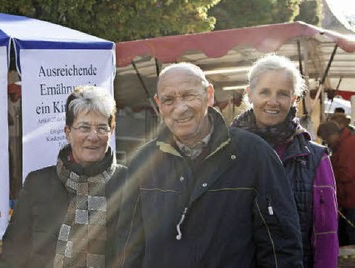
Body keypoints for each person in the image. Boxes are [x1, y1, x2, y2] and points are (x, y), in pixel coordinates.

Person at [117, 62, 303, 267]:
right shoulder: (143, 162)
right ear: (158, 104)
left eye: (189, 95)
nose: (180, 108)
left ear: (209, 94)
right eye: (169, 100)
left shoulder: (255, 155)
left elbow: (280, 248)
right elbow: (128, 248)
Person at [0, 85, 127, 268]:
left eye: (101, 128)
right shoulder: (38, 183)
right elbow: (13, 254)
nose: (93, 136)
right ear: (68, 132)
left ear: (111, 132)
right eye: (84, 127)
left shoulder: (129, 182)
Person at [231, 54, 338, 267]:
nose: (273, 101)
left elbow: (325, 236)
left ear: (294, 100)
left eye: (282, 94)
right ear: (249, 94)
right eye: (264, 92)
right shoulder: (225, 151)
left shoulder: (315, 158)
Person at [318, 120, 355, 246]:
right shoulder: (341, 145)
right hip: (347, 198)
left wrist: (328, 173)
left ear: (332, 135)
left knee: (350, 235)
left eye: (326, 139)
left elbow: (347, 173)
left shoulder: (348, 145)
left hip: (351, 198)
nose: (326, 142)